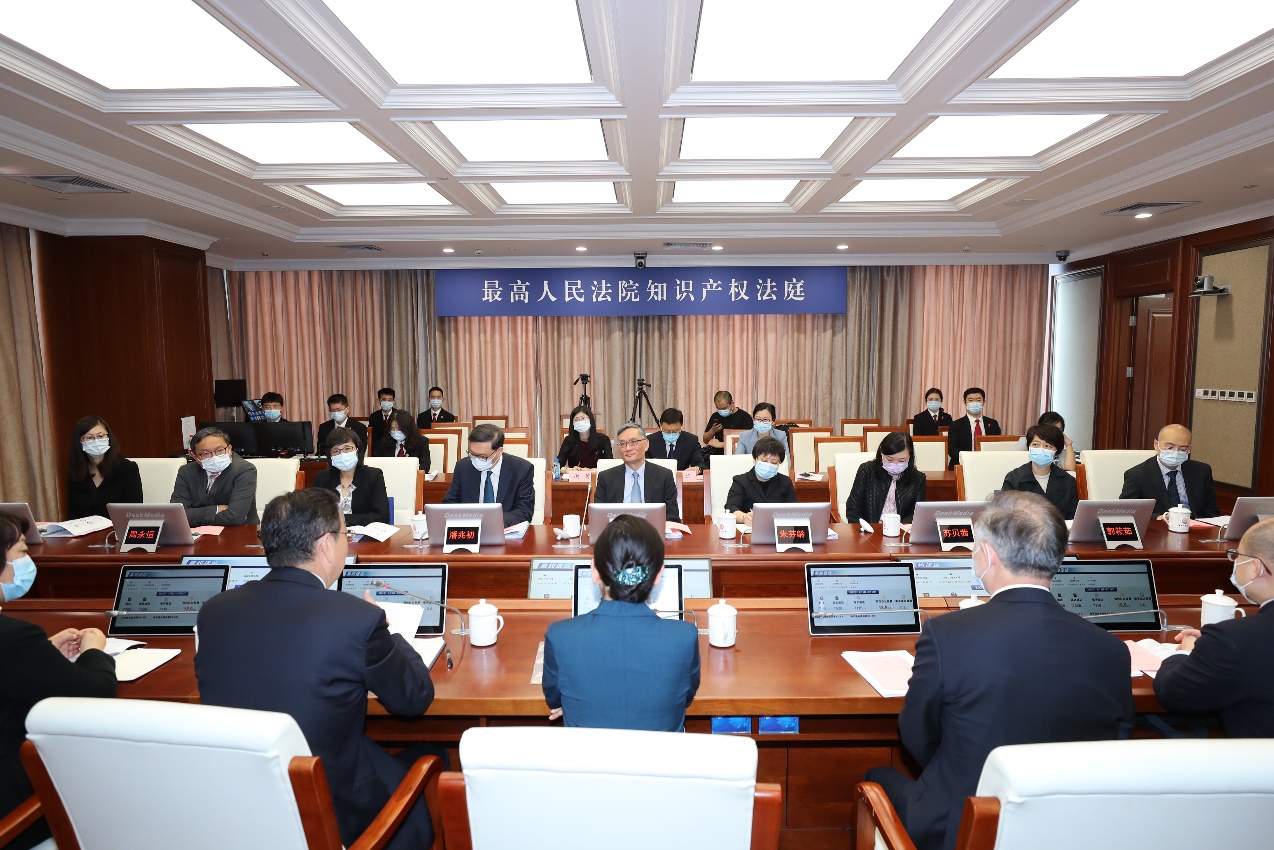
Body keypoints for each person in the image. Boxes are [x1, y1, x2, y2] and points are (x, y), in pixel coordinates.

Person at [863, 491, 1133, 850]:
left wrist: (960, 764)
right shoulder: (1111, 650)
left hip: (965, 825)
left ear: (987, 556)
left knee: (875, 777)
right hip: (1067, 828)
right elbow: (1116, 746)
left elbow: (917, 733)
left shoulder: (947, 635)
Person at [196, 489, 437, 850]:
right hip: (333, 810)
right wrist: (391, 629)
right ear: (326, 545)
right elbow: (414, 698)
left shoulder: (215, 610)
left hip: (244, 806)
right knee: (436, 754)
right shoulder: (358, 620)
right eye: (344, 534)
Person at [0, 514, 117, 850]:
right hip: (18, 810)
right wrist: (94, 652)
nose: (28, 561)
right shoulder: (13, 636)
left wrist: (40, 653)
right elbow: (95, 691)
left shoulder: (16, 641)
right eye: (22, 551)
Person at [542, 514, 699, 731]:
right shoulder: (685, 638)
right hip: (660, 763)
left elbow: (554, 699)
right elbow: (684, 699)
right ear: (658, 575)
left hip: (586, 764)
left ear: (594, 571)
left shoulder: (560, 637)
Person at [1154, 518, 1274, 737]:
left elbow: (1173, 692)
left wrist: (1191, 653)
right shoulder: (1236, 638)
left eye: (1237, 556)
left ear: (1255, 568)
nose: (1234, 562)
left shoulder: (1235, 640)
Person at [442, 424, 536, 526]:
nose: (476, 459)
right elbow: (449, 504)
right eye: (472, 454)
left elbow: (524, 512)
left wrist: (488, 522)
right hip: (471, 529)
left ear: (499, 451)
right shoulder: (463, 467)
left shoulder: (521, 469)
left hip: (505, 531)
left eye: (482, 456)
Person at [1119, 423, 1219, 518]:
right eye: (1170, 447)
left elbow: (1211, 511)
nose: (1176, 453)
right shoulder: (1137, 475)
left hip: (1194, 529)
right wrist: (1158, 517)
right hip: (1159, 530)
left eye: (1183, 449)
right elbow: (1126, 510)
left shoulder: (1202, 471)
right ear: (1156, 445)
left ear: (1189, 449)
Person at [171, 427, 259, 526]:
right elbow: (176, 515)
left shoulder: (245, 470)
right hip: (198, 535)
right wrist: (217, 509)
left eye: (220, 450)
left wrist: (193, 514)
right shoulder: (186, 472)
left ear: (229, 449)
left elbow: (235, 517)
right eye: (205, 453)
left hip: (240, 533)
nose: (214, 456)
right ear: (195, 457)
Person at [594, 423, 680, 522]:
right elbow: (598, 516)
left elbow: (672, 517)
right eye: (622, 444)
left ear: (646, 444)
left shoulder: (664, 476)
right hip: (617, 532)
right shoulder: (606, 477)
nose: (628, 448)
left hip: (652, 533)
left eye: (633, 442)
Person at [66, 414, 142, 519]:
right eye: (89, 438)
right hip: (86, 533)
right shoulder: (76, 473)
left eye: (100, 436)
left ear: (108, 437)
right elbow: (72, 516)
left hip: (117, 532)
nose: (96, 441)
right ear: (80, 443)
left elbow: (135, 512)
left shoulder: (127, 469)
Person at [844, 431, 927, 524]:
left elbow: (917, 514)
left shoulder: (918, 479)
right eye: (889, 459)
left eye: (901, 460)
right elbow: (852, 508)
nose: (895, 464)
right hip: (870, 531)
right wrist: (863, 528)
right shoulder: (866, 470)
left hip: (901, 532)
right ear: (881, 453)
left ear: (910, 457)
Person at [312, 428, 389, 527]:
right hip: (331, 537)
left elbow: (381, 516)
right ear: (330, 455)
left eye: (347, 448)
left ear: (357, 450)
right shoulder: (322, 478)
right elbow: (313, 514)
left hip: (364, 539)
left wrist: (340, 520)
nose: (342, 454)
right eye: (336, 450)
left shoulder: (373, 475)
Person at [1000, 424, 1078, 520]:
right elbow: (1005, 515)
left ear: (1057, 452)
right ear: (1029, 447)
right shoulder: (1014, 478)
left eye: (1047, 446)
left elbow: (1073, 517)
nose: (1041, 450)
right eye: (1035, 445)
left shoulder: (1068, 481)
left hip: (1059, 532)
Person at [725, 435, 796, 524]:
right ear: (755, 459)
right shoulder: (740, 481)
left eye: (773, 462)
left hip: (777, 530)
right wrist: (744, 518)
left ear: (779, 463)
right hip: (749, 531)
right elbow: (731, 508)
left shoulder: (785, 482)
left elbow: (793, 510)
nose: (768, 465)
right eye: (764, 461)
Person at [946, 387, 1001, 469]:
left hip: (988, 465)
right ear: (965, 402)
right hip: (963, 465)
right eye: (970, 400)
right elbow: (952, 449)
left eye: (978, 400)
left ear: (984, 402)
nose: (975, 403)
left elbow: (997, 446)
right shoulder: (956, 425)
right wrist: (969, 459)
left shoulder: (993, 424)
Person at [556, 405, 613, 470]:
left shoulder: (603, 440)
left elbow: (610, 465)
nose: (580, 422)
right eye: (576, 419)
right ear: (572, 424)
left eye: (583, 418)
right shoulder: (569, 440)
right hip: (576, 478)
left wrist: (592, 471)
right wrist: (569, 470)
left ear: (590, 420)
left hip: (597, 478)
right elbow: (557, 465)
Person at [651, 407, 703, 473]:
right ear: (660, 426)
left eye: (675, 431)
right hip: (657, 480)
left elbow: (700, 464)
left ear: (681, 426)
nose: (671, 434)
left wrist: (696, 469)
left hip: (680, 480)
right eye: (667, 431)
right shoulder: (650, 441)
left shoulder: (691, 441)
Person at [701, 390, 752, 457]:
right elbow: (705, 440)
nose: (721, 411)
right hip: (717, 454)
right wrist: (712, 431)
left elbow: (748, 442)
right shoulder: (715, 416)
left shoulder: (744, 417)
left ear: (732, 403)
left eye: (724, 408)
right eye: (718, 408)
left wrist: (721, 444)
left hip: (736, 454)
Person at [316, 393, 368, 458]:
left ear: (347, 410)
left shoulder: (359, 427)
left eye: (339, 410)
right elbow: (321, 450)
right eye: (333, 410)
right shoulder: (324, 427)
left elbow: (361, 450)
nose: (336, 413)